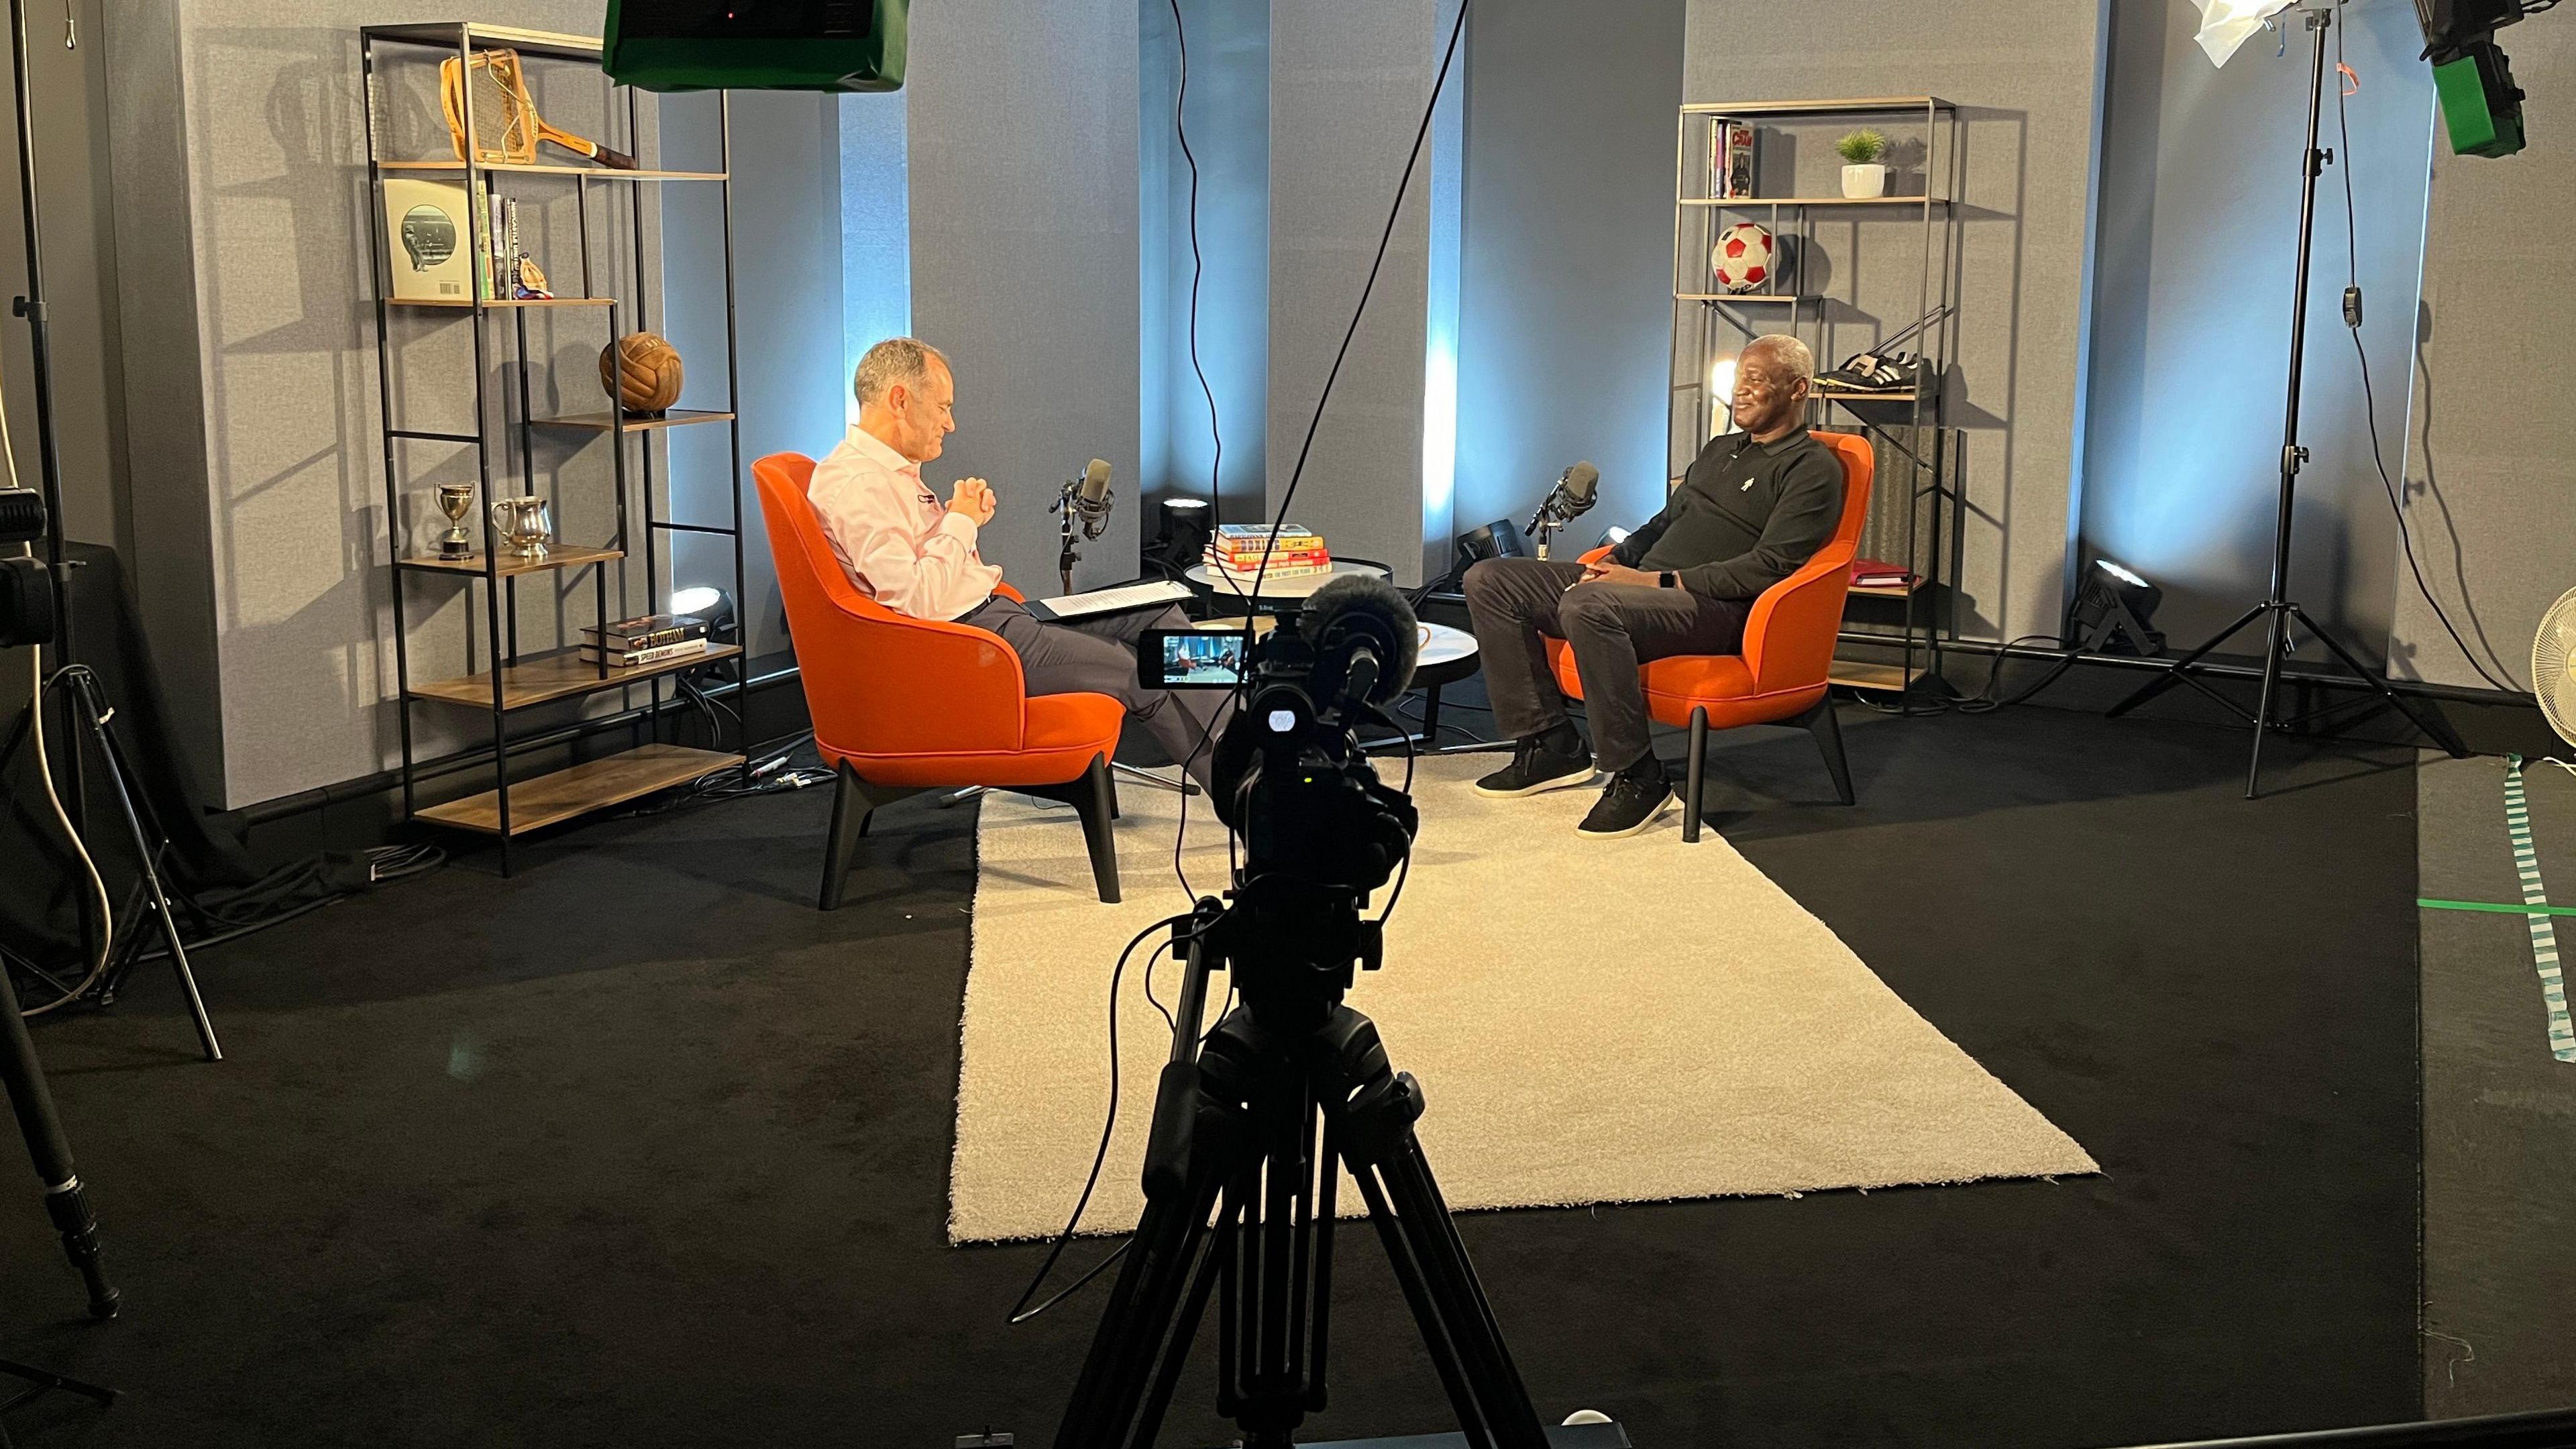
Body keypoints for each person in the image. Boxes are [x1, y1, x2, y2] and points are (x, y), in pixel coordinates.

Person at [808, 337, 1232, 793]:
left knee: (1158, 612)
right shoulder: (859, 485)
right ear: (899, 399)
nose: (950, 424)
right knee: (1139, 668)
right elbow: (916, 600)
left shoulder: (885, 475)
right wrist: (960, 523)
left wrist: (958, 521)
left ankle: (1247, 738)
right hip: (970, 645)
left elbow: (916, 568)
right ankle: (1243, 791)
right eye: (943, 407)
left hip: (999, 616)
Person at [1461, 334, 1843, 838]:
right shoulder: (1720, 451)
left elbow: (1769, 567)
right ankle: (1550, 744)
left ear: (1798, 390)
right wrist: (1618, 559)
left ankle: (1640, 776)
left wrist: (1654, 580)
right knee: (1489, 579)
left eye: (1755, 380)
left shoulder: (1811, 468)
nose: (1740, 392)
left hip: (1714, 609)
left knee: (1588, 605)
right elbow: (1663, 523)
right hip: (1638, 590)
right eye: (1737, 380)